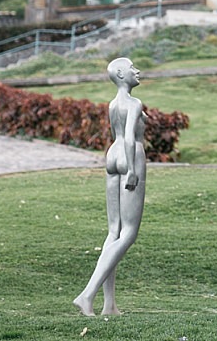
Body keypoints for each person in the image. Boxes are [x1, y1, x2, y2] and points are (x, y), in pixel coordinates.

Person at [73, 57, 146, 316]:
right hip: (129, 156)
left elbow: (118, 133)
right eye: (132, 68)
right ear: (120, 73)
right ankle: (87, 294)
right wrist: (134, 171)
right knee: (128, 234)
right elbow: (129, 136)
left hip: (111, 156)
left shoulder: (113, 104)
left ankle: (109, 305)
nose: (137, 71)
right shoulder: (134, 103)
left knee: (113, 232)